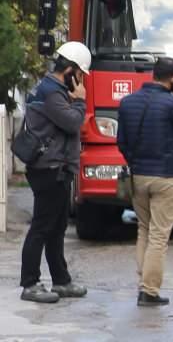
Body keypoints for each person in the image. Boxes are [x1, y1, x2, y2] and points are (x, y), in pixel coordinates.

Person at [117, 57, 173, 307]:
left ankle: (145, 281)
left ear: (154, 73)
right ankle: (149, 291)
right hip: (165, 176)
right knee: (159, 236)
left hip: (138, 175)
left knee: (144, 229)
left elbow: (121, 141)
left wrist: (135, 160)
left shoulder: (127, 102)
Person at [19, 42, 92, 303]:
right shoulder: (52, 92)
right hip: (49, 168)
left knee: (57, 226)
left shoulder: (51, 88)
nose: (82, 79)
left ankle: (61, 281)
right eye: (81, 73)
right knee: (42, 226)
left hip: (55, 167)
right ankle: (30, 284)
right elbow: (73, 122)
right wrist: (81, 101)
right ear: (71, 70)